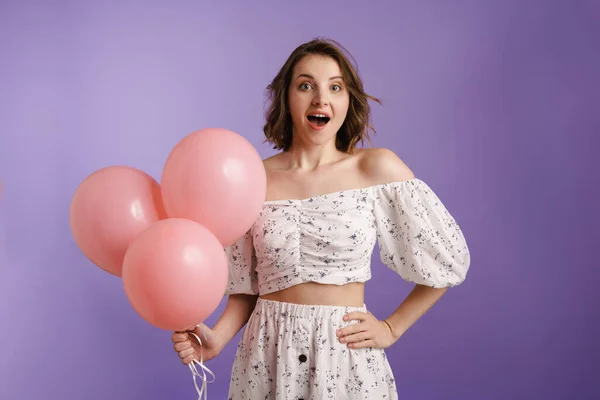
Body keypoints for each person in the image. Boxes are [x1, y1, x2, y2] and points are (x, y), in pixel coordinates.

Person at [172, 38, 471, 399]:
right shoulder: (251, 177)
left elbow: (448, 262)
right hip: (266, 358)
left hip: (345, 359)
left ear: (348, 100)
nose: (320, 99)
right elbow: (247, 287)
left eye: (335, 87)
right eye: (305, 85)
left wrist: (391, 329)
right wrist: (216, 339)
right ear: (287, 97)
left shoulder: (376, 168)